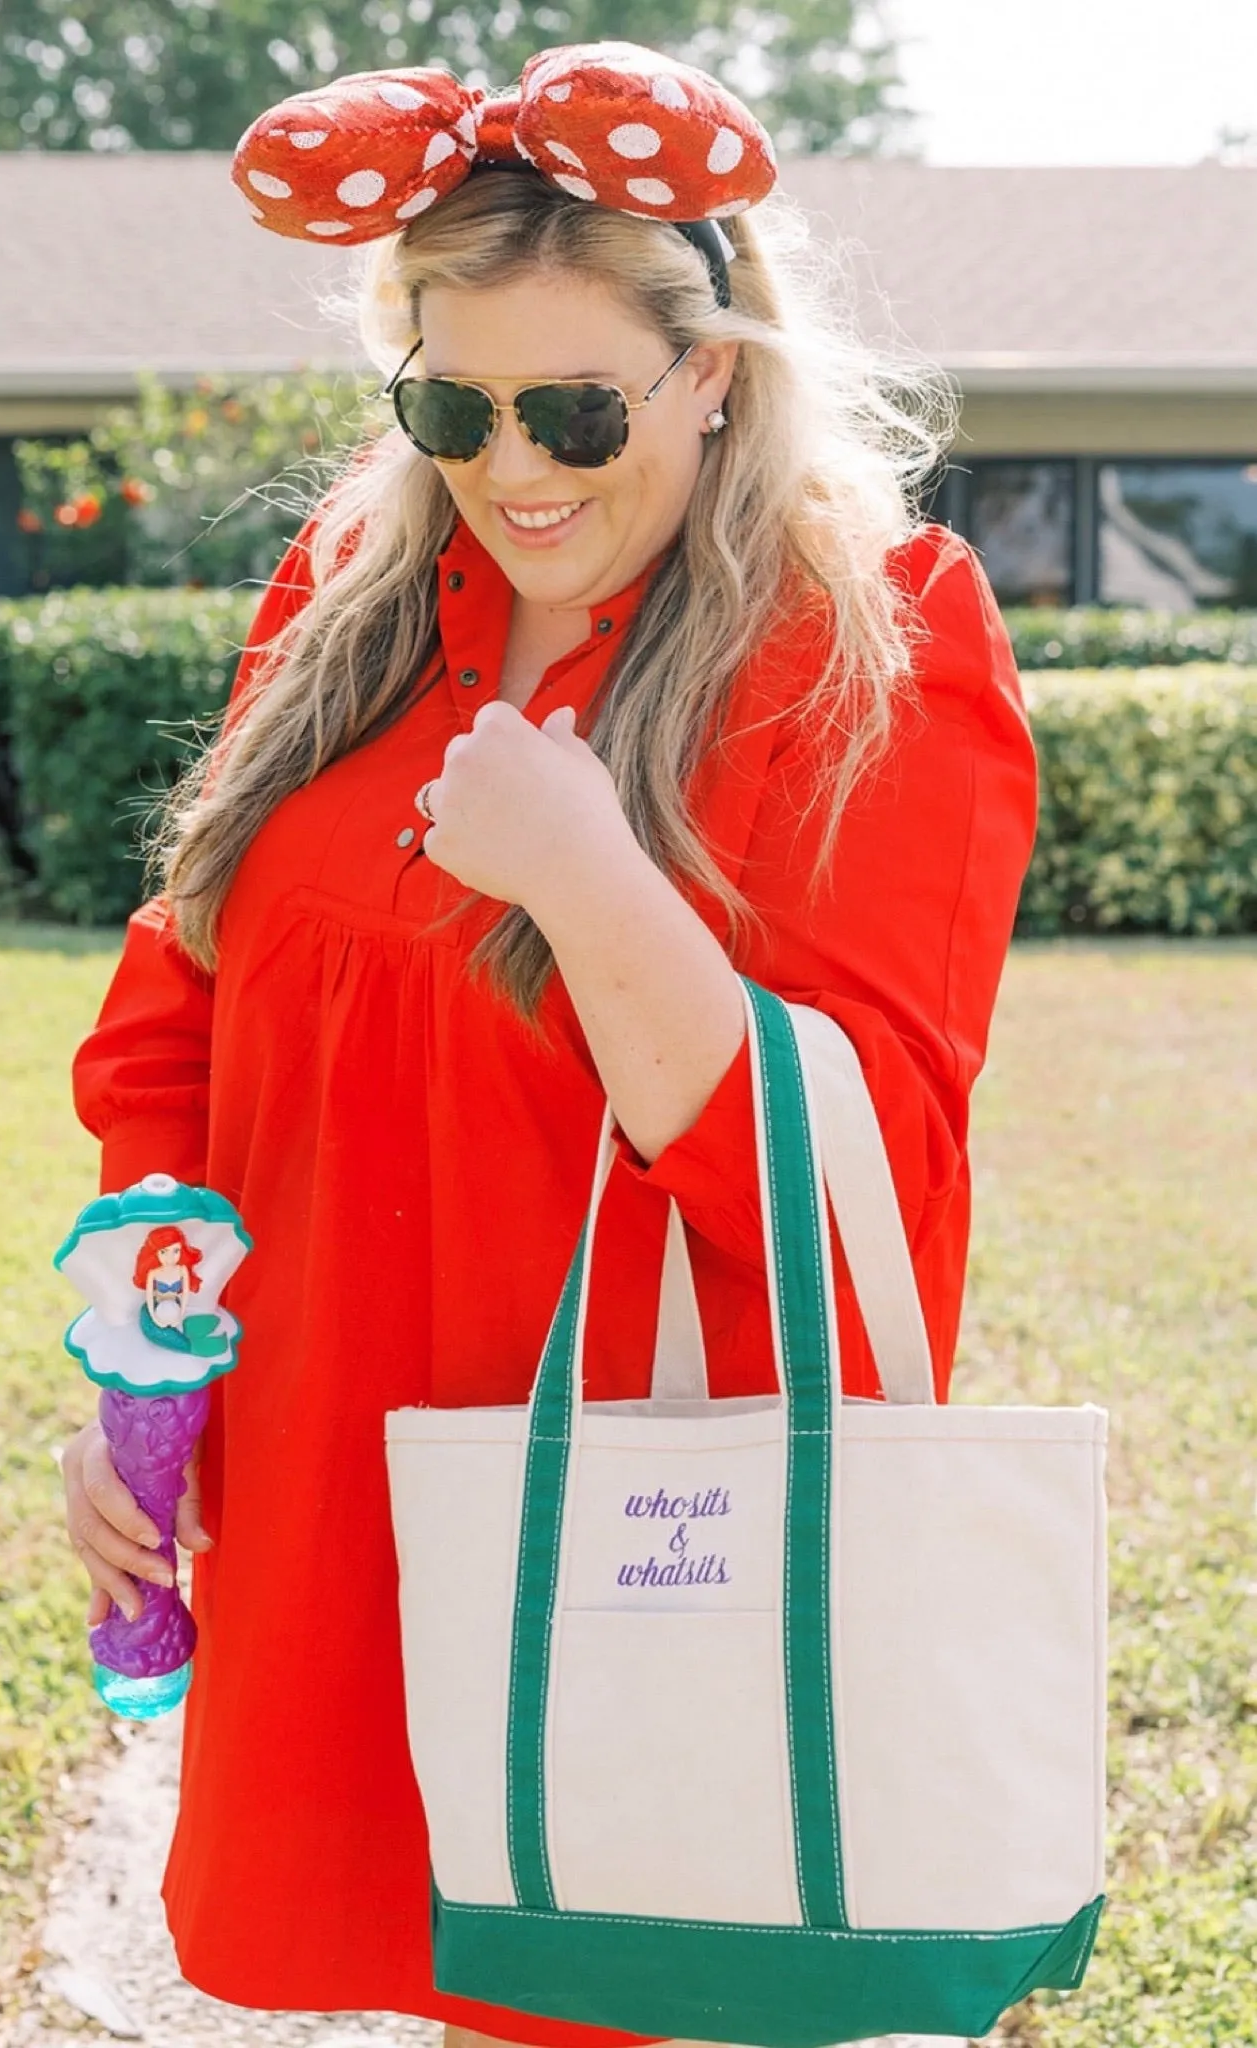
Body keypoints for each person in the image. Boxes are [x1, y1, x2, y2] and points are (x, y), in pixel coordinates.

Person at [60, 42, 1037, 2048]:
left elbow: (860, 1192)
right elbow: (177, 1015)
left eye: (576, 405)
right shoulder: (347, 605)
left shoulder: (873, 640)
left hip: (634, 1535)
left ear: (713, 370)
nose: (511, 469)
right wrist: (142, 1369)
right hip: (329, 1489)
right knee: (418, 1967)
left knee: (605, 1982)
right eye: (447, 404)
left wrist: (591, 880)